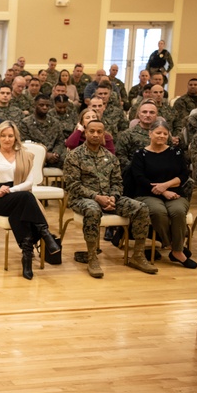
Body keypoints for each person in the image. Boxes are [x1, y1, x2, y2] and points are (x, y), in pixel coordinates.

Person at [64, 120, 157, 279]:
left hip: (108, 198)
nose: (95, 135)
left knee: (141, 207)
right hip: (83, 199)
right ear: (85, 132)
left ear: (104, 135)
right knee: (92, 209)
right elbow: (72, 185)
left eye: (99, 132)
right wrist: (97, 197)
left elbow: (117, 183)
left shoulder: (110, 157)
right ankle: (92, 257)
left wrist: (113, 197)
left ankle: (138, 255)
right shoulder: (74, 156)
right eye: (92, 131)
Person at [0, 121, 60, 279]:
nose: (7, 139)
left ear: (16, 138)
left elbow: (29, 182)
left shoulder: (24, 155)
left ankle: (26, 256)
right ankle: (45, 233)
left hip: (17, 193)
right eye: (3, 136)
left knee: (22, 205)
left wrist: (11, 190)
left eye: (10, 136)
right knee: (27, 198)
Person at [128, 120, 195, 269]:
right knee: (159, 212)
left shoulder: (176, 152)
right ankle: (175, 249)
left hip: (175, 192)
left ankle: (176, 250)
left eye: (165, 134)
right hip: (147, 193)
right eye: (158, 133)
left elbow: (184, 174)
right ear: (150, 134)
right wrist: (164, 191)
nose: (162, 136)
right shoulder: (140, 154)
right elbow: (139, 178)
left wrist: (166, 185)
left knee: (177, 211)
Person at [18, 94, 66, 167]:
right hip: (33, 156)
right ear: (35, 105)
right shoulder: (25, 123)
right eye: (41, 105)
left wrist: (56, 153)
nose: (44, 107)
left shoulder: (55, 123)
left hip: (53, 157)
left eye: (47, 105)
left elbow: (60, 141)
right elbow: (25, 143)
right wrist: (44, 155)